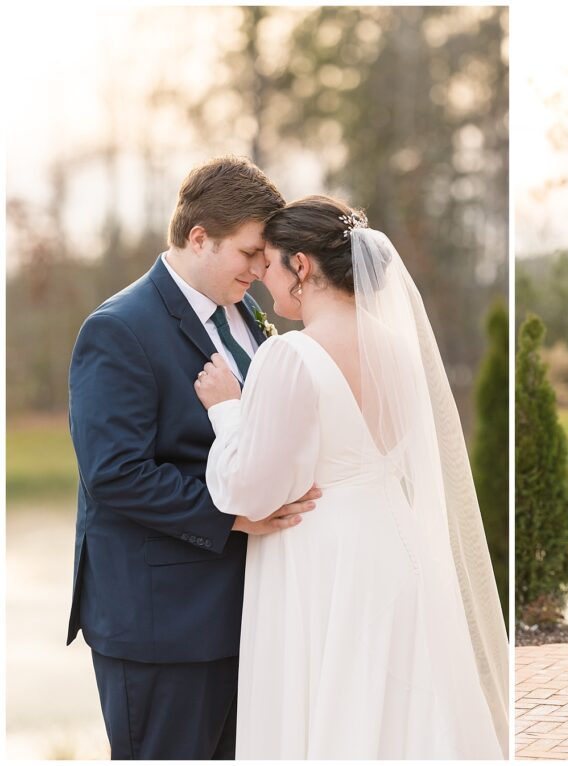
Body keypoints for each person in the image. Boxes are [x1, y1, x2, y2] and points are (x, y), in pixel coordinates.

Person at [193, 196, 509, 758]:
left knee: (333, 713)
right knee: (399, 716)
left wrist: (228, 410)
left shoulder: (289, 355)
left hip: (323, 560)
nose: (262, 276)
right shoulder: (400, 351)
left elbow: (253, 490)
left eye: (269, 262)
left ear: (302, 267)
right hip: (398, 551)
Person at [67, 156, 321, 759]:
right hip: (163, 626)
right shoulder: (119, 329)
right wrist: (236, 516)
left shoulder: (247, 318)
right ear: (199, 238)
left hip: (248, 612)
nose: (262, 270)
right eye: (249, 253)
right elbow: (115, 474)